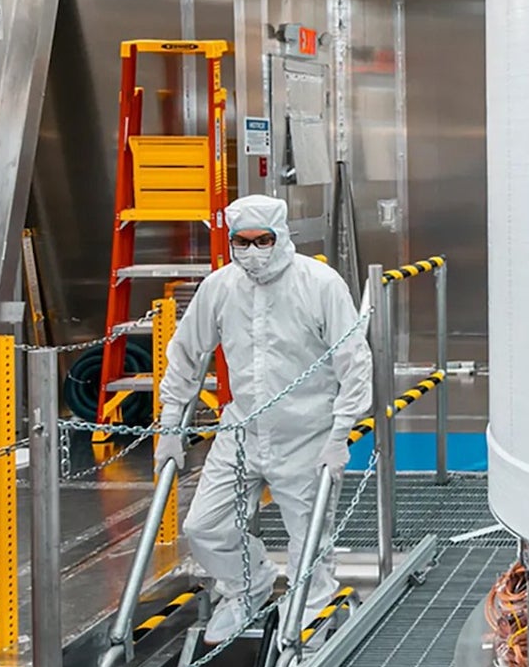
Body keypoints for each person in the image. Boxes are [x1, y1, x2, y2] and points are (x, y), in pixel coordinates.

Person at [156, 194, 372, 644]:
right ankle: (246, 588)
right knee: (204, 526)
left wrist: (339, 433)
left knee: (308, 542)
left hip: (306, 434)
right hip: (242, 432)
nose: (252, 251)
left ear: (282, 236)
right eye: (242, 241)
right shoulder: (221, 287)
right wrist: (171, 424)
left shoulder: (319, 284)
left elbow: (354, 361)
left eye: (263, 240)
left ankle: (307, 631)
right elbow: (185, 353)